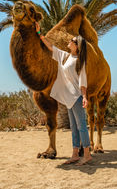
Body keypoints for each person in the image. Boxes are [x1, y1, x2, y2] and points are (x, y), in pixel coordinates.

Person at [35, 22, 92, 166]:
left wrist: (84, 97)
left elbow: (82, 81)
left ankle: (86, 155)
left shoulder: (80, 61)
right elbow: (51, 47)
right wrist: (39, 34)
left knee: (81, 126)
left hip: (77, 97)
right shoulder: (65, 57)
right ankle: (74, 155)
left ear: (77, 45)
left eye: (72, 41)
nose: (69, 41)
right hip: (68, 98)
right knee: (73, 127)